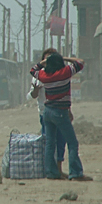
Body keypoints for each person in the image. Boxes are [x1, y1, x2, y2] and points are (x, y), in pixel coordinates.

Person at [30, 52, 92, 181]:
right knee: (72, 142)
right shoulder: (64, 73)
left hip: (47, 111)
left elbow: (33, 70)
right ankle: (75, 173)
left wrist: (44, 61)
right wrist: (64, 57)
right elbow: (80, 62)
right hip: (60, 111)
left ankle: (51, 172)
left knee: (50, 144)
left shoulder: (44, 75)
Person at [28, 48, 68, 179]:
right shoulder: (39, 76)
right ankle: (49, 171)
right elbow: (32, 96)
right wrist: (35, 90)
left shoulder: (61, 74)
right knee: (49, 142)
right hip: (45, 114)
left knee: (61, 141)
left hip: (61, 112)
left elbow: (65, 94)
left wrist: (69, 110)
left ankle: (58, 169)